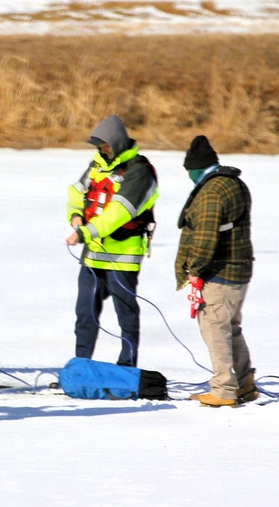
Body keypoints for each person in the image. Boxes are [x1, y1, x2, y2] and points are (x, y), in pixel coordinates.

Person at [64, 115, 158, 368]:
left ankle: (127, 369)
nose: (101, 150)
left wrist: (84, 233)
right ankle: (81, 366)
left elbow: (119, 213)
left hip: (122, 259)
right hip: (93, 256)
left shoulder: (140, 172)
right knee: (85, 314)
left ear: (117, 143)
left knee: (126, 317)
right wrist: (75, 215)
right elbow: (76, 191)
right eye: (98, 146)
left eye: (105, 145)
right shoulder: (96, 165)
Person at [175, 135, 258, 407]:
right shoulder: (234, 183)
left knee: (214, 328)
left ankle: (223, 390)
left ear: (196, 168)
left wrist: (195, 270)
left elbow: (206, 236)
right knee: (230, 327)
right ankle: (245, 383)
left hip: (221, 273)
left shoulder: (211, 191)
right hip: (240, 270)